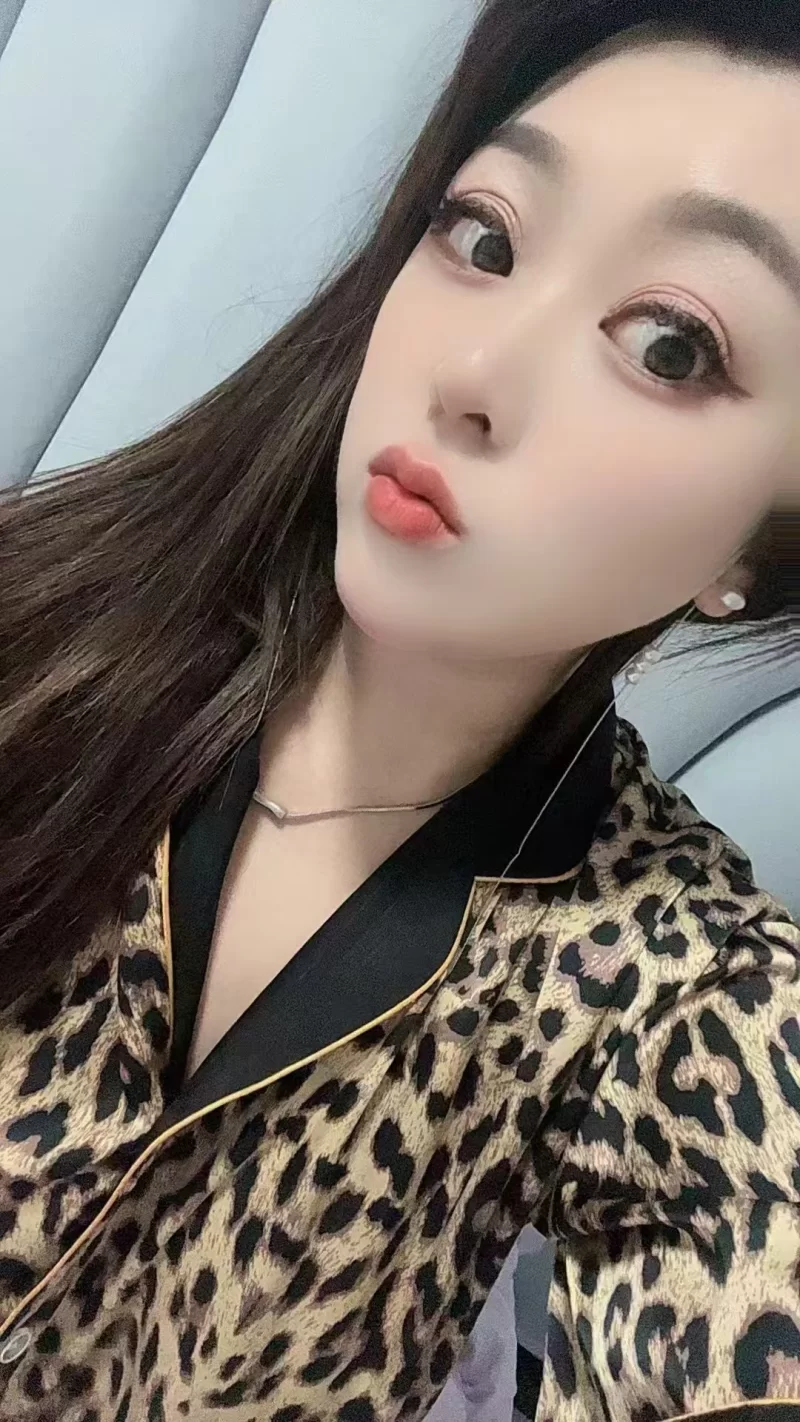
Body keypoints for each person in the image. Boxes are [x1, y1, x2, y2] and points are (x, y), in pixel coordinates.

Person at [1, 1, 800, 1418]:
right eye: (484, 239)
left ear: (760, 547)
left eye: (671, 345)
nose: (474, 374)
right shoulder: (57, 623)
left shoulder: (678, 989)